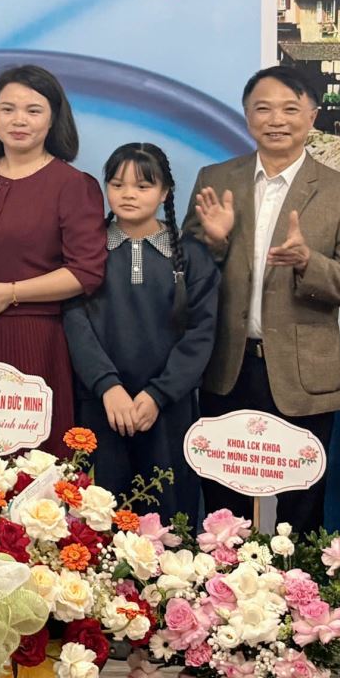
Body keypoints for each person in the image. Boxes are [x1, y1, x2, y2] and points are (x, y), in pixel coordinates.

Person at [185, 65, 340, 532]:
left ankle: (296, 582)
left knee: (300, 516)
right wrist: (215, 243)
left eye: (290, 108)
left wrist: (309, 262)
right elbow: (184, 273)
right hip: (226, 369)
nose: (276, 120)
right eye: (263, 108)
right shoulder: (215, 178)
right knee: (222, 515)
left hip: (304, 377)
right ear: (247, 115)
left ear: (312, 116)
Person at [0, 64, 106, 455]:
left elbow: (86, 271)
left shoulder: (72, 185)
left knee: (32, 458)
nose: (19, 120)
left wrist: (11, 292)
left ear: (53, 119)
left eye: (33, 110)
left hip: (35, 336)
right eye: (8, 109)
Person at [63, 143, 217, 521]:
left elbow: (201, 332)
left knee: (168, 515)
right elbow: (75, 321)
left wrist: (158, 394)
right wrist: (107, 386)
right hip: (100, 404)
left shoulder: (192, 255)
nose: (128, 194)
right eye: (117, 184)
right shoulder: (87, 250)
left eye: (143, 186)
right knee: (97, 517)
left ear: (165, 193)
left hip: (167, 408)